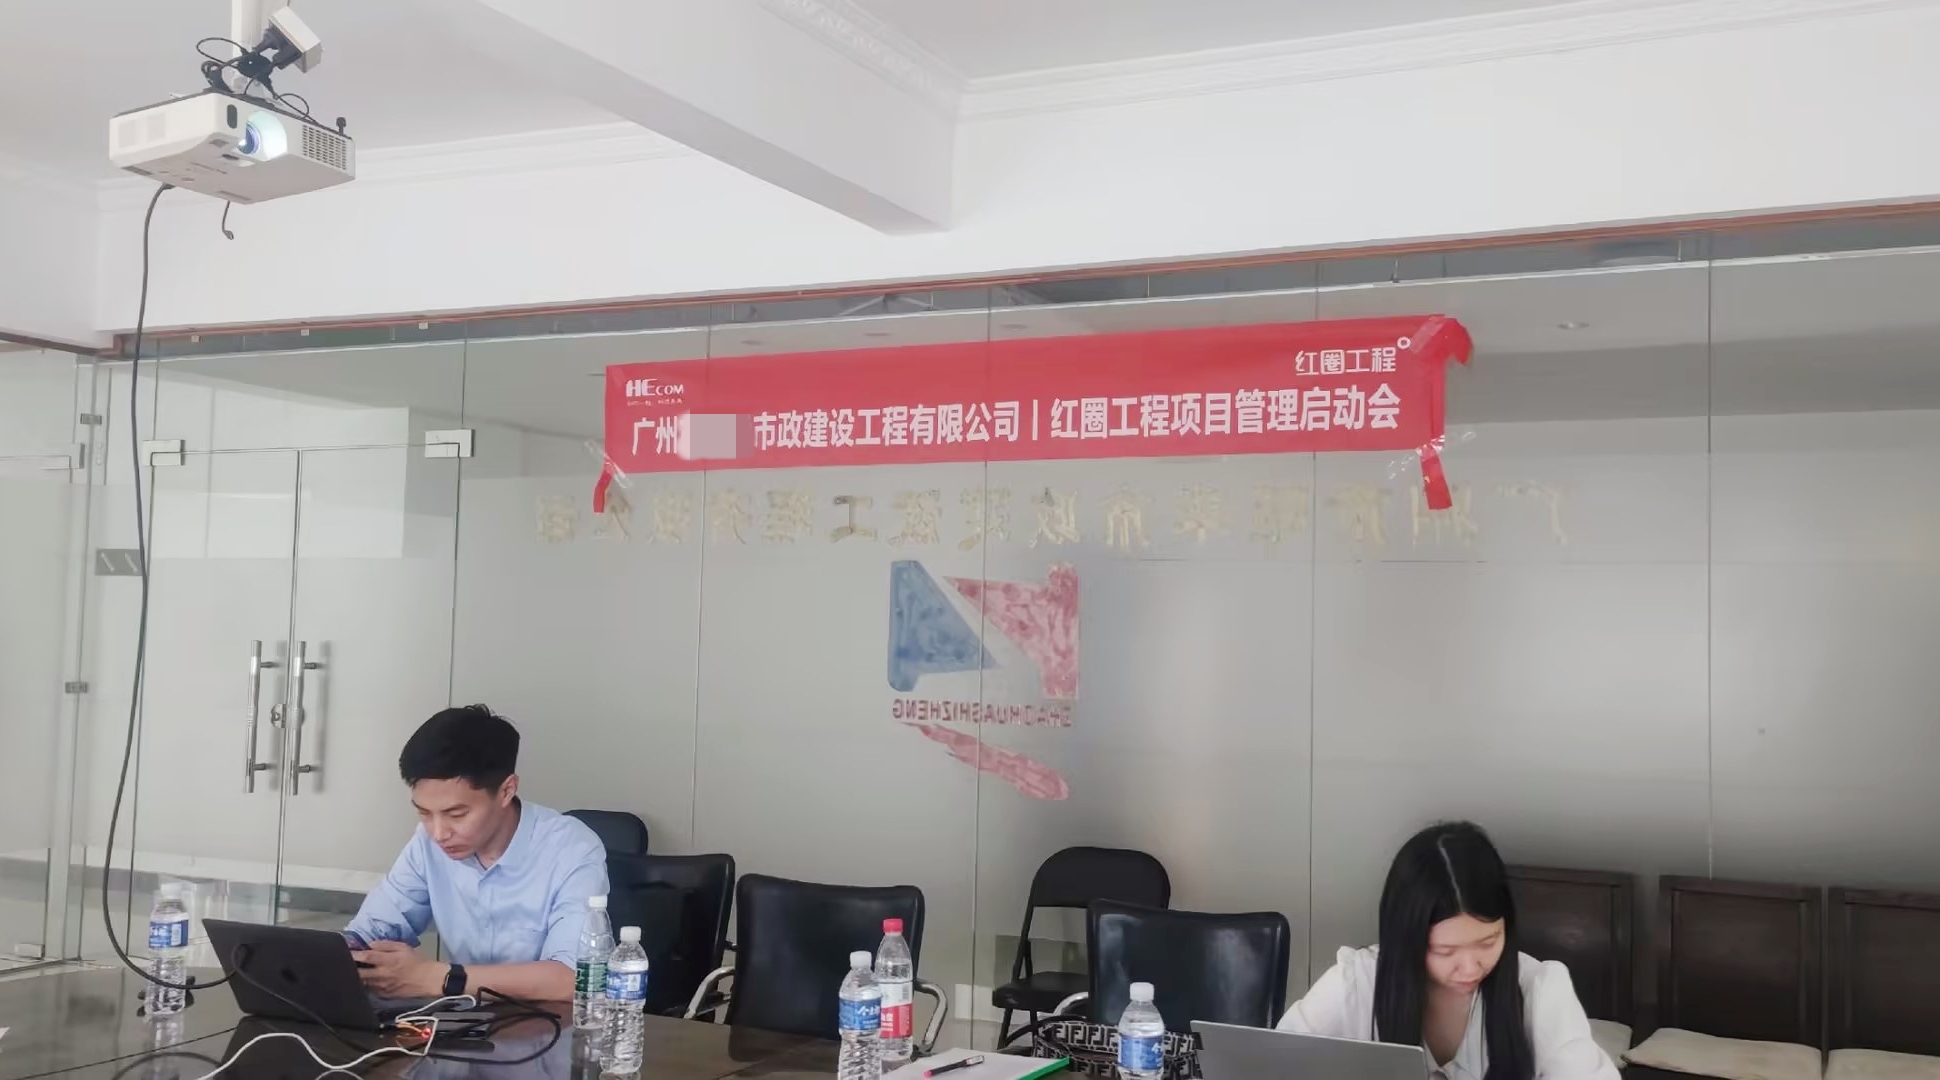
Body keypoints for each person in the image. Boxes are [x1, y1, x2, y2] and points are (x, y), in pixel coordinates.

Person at [1278, 821, 1618, 1080]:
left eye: (1488, 942)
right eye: (1444, 951)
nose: (1470, 967)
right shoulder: (1356, 983)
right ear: (1405, 938)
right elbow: (1272, 1064)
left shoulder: (1538, 990)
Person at [343, 705, 609, 1003]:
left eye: (456, 814)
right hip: (463, 1021)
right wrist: (346, 951)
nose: (438, 833)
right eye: (424, 813)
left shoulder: (571, 848)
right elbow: (372, 930)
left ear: (507, 791)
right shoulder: (427, 843)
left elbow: (573, 979)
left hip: (549, 1023)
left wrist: (436, 977)